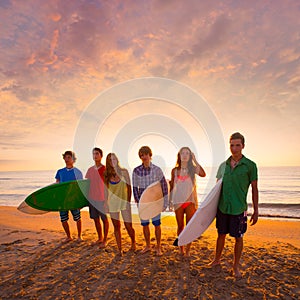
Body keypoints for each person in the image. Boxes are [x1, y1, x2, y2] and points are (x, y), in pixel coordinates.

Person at [209, 132, 259, 277]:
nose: (234, 148)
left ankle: (235, 266)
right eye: (232, 145)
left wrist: (256, 211)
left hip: (239, 208)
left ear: (243, 146)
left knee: (238, 238)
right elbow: (216, 189)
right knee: (221, 235)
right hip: (223, 207)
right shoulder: (222, 166)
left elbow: (255, 189)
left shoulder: (250, 166)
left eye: (237, 145)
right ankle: (216, 260)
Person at [132, 146, 169, 256]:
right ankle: (148, 245)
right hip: (143, 202)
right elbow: (135, 187)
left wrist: (165, 202)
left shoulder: (157, 170)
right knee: (145, 225)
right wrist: (139, 202)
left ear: (150, 155)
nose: (144, 157)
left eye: (145, 154)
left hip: (156, 202)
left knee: (157, 224)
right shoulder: (136, 170)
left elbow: (164, 186)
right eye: (141, 155)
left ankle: (158, 247)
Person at [170, 147, 206, 256]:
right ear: (179, 156)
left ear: (190, 156)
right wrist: (169, 201)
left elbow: (203, 174)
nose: (185, 155)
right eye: (182, 153)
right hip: (178, 202)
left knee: (189, 226)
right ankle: (181, 248)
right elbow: (172, 186)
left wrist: (195, 161)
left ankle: (188, 250)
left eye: (187, 153)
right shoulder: (175, 170)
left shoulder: (192, 169)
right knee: (180, 226)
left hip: (190, 201)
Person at [104, 153, 136, 256]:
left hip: (124, 202)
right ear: (108, 162)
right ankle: (119, 249)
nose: (112, 161)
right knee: (116, 226)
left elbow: (129, 187)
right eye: (110, 160)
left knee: (128, 226)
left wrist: (128, 200)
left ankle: (133, 243)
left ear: (117, 160)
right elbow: (106, 190)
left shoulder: (124, 172)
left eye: (114, 159)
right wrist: (106, 204)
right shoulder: (106, 174)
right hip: (112, 203)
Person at [55, 150, 83, 242]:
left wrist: (80, 201)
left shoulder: (77, 172)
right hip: (63, 200)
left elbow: (81, 188)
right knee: (63, 219)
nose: (67, 159)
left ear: (73, 159)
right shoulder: (60, 172)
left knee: (77, 218)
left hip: (74, 199)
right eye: (65, 157)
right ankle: (69, 236)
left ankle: (79, 236)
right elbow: (57, 185)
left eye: (69, 157)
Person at [85, 147, 109, 248]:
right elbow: (86, 185)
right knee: (96, 219)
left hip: (102, 199)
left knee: (104, 220)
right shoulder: (90, 170)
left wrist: (107, 200)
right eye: (94, 154)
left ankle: (105, 239)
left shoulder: (105, 169)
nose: (95, 156)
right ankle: (100, 238)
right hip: (92, 199)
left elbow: (108, 186)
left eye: (97, 154)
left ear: (101, 156)